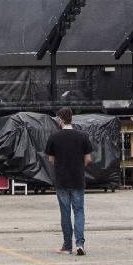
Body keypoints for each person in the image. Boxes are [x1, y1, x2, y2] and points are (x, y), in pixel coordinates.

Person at [44, 107, 92, 256]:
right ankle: (80, 244)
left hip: (62, 180)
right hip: (78, 179)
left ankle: (67, 246)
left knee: (65, 213)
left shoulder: (54, 137)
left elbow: (51, 159)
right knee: (79, 211)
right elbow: (88, 159)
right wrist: (78, 166)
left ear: (60, 120)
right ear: (72, 118)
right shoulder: (83, 136)